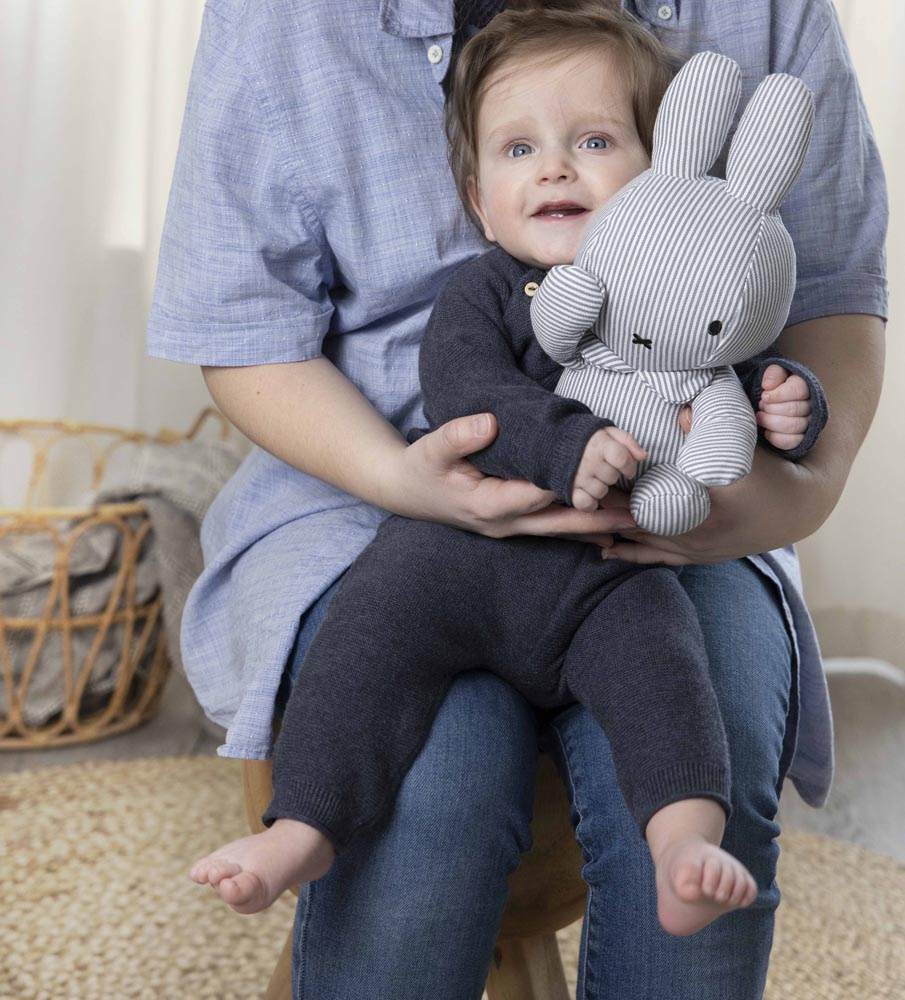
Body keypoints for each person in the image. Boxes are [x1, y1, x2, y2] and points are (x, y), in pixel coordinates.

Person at [148, 0, 887, 996]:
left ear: (662, 167)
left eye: (592, 141)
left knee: (689, 696)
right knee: (426, 776)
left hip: (647, 543)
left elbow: (801, 310)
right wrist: (420, 474)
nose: (555, 169)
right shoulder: (491, 293)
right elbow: (311, 343)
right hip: (393, 510)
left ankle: (684, 847)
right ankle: (303, 828)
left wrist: (792, 467)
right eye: (520, 149)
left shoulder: (663, 281)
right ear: (473, 195)